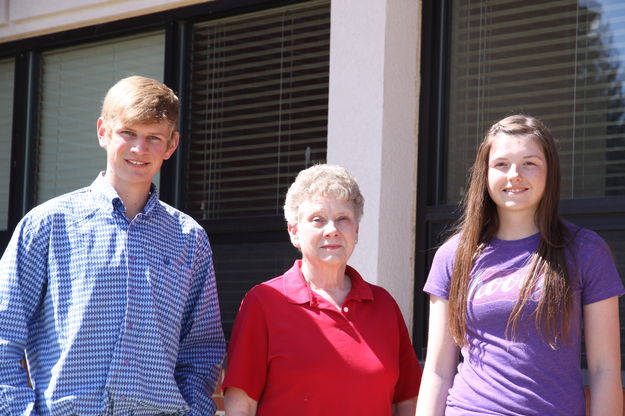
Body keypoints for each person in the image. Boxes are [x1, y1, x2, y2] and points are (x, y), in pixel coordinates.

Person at [0, 76, 226, 415]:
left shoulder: (189, 238)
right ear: (103, 131)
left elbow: (201, 348)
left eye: (154, 137)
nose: (139, 149)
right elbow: (4, 333)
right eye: (128, 133)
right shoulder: (48, 224)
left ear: (172, 145)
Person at [415, 115, 624, 416]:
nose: (515, 174)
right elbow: (437, 371)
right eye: (501, 164)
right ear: (484, 174)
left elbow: (605, 370)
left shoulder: (586, 251)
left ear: (549, 172)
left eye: (530, 163)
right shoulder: (454, 255)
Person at [223, 164, 422, 415]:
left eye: (343, 219)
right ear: (294, 232)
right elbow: (241, 404)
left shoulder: (383, 305)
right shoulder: (264, 302)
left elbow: (408, 400)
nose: (332, 230)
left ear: (356, 231)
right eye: (318, 220)